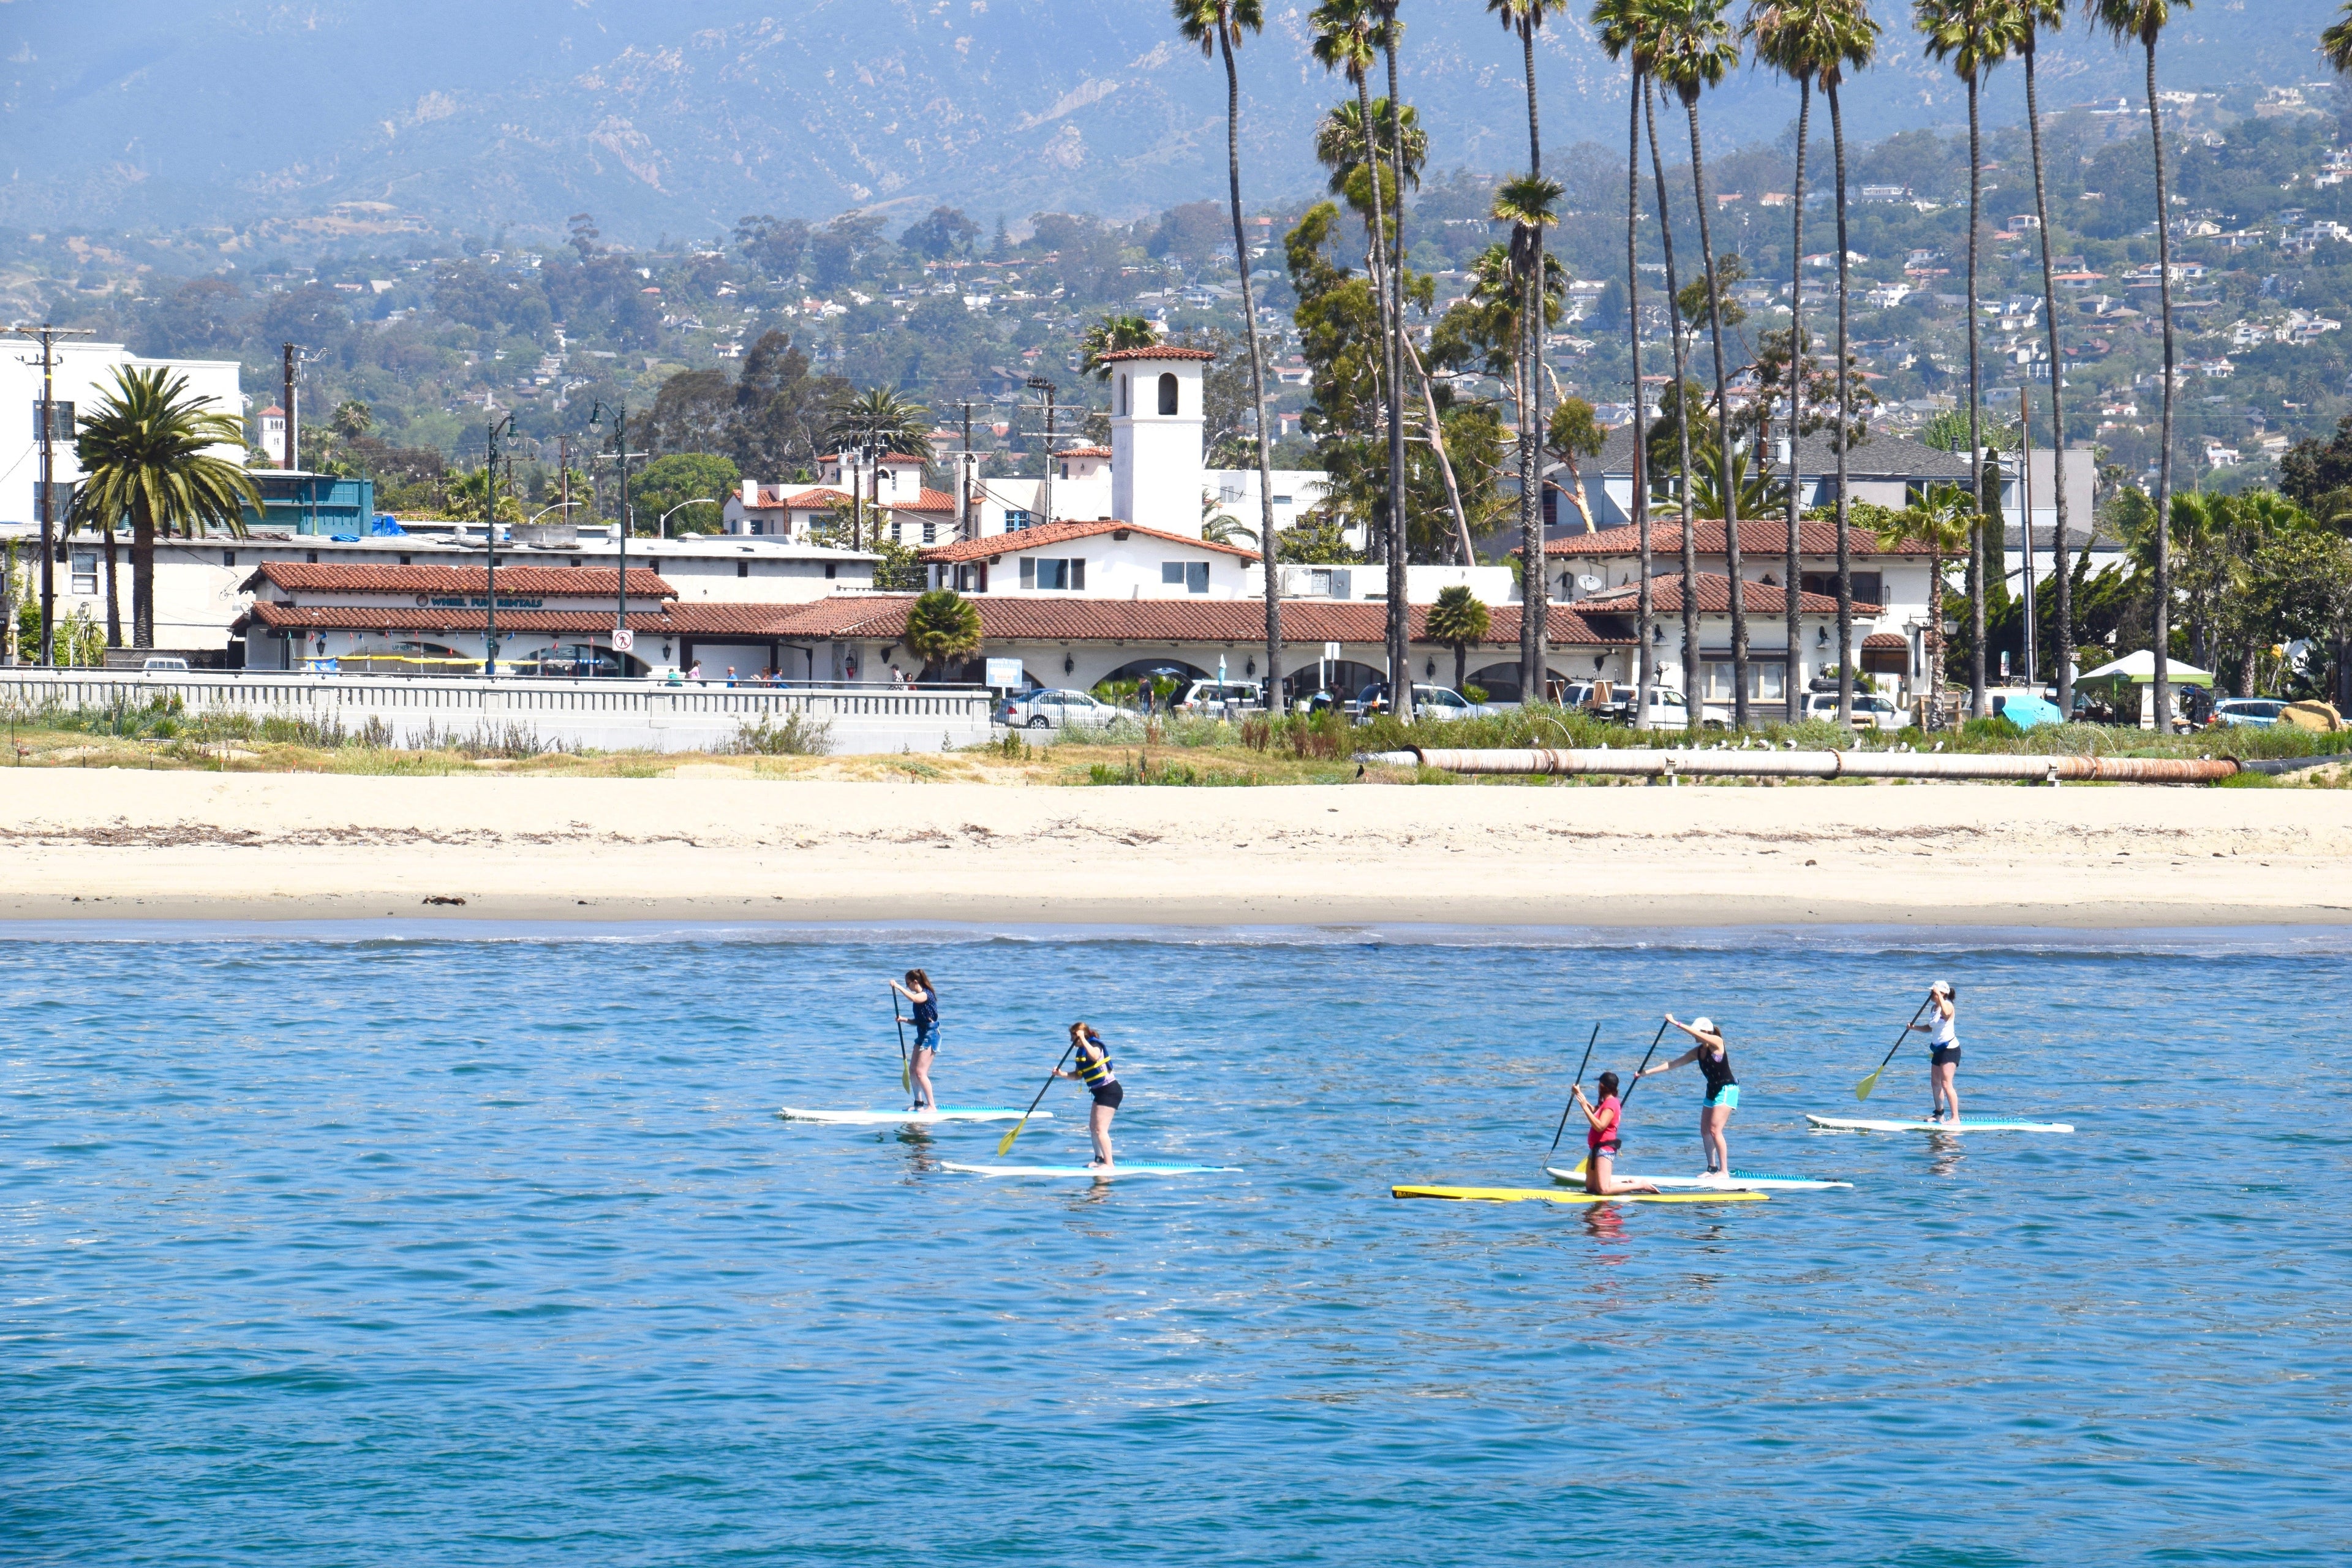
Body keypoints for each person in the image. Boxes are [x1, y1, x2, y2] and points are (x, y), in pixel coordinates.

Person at [1639, 1014, 1738, 1178]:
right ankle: (1712, 1168)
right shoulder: (1698, 1052)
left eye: (1696, 1033)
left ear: (1706, 1032)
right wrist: (1645, 1073)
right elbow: (1673, 1064)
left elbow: (1698, 1034)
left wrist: (1676, 1023)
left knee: (1715, 1130)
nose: (1693, 1036)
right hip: (1712, 1090)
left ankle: (1724, 1172)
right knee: (1705, 1131)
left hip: (1727, 1089)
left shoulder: (1718, 1044)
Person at [1571, 1071, 1660, 1196]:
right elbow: (1595, 1112)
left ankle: (1641, 1185)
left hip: (1605, 1149)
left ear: (1603, 1086)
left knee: (1603, 1190)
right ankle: (1627, 1184)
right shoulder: (1605, 1103)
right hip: (1596, 1149)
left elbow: (1600, 1126)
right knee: (1591, 1189)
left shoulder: (1611, 1104)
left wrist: (1584, 1108)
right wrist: (1579, 1094)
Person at [1052, 1021, 1121, 1169]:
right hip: (1099, 1092)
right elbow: (1078, 1075)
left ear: (1081, 1035)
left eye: (1073, 1037)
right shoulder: (1081, 1052)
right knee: (1093, 1128)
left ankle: (1109, 1164)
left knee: (1100, 1129)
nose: (1071, 1041)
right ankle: (1099, 1159)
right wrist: (1061, 1074)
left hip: (1110, 1090)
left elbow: (1096, 1057)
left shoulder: (1094, 1045)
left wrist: (1083, 1039)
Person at [1907, 981, 1962, 1124]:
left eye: (1933, 992)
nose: (1931, 994)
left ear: (1942, 993)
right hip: (1938, 1049)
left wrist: (1940, 995)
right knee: (1935, 1083)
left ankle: (1956, 1118)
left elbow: (1947, 1014)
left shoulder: (1948, 1005)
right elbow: (1930, 1028)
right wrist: (1914, 1028)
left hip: (1950, 1049)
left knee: (1946, 1083)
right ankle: (1939, 1114)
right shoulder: (1933, 1008)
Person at [888, 969, 941, 1111]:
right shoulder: (919, 996)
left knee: (920, 1072)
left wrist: (897, 987)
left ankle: (932, 1106)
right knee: (912, 1070)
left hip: (931, 1036)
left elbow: (914, 998)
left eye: (908, 984)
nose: (907, 986)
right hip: (922, 1034)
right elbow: (919, 1021)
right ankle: (919, 1103)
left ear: (915, 982)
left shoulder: (926, 995)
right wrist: (905, 1020)